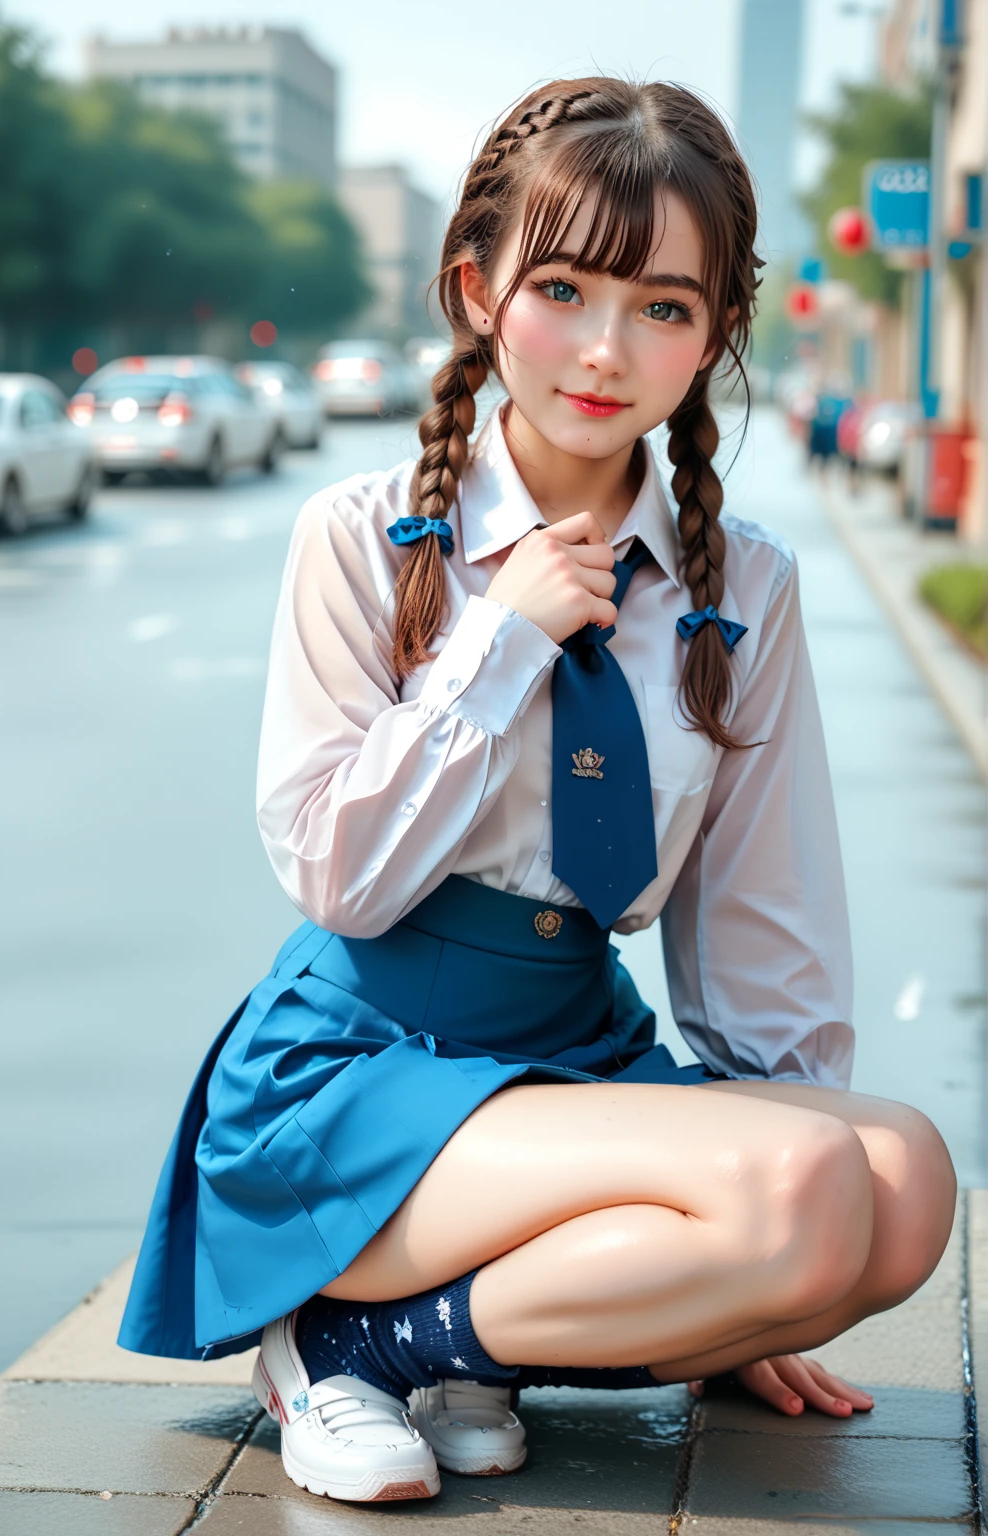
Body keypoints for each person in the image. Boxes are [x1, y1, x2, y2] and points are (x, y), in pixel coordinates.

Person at [118, 78, 955, 1504]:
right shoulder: (365, 543)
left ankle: (436, 1341)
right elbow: (337, 875)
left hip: (579, 1056)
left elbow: (762, 913)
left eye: (668, 308)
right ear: (476, 286)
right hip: (362, 1074)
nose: (607, 349)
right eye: (563, 288)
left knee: (899, 1189)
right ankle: (349, 1343)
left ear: (716, 335)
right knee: (805, 1192)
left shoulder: (739, 587)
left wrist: (762, 1280)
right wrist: (496, 646)